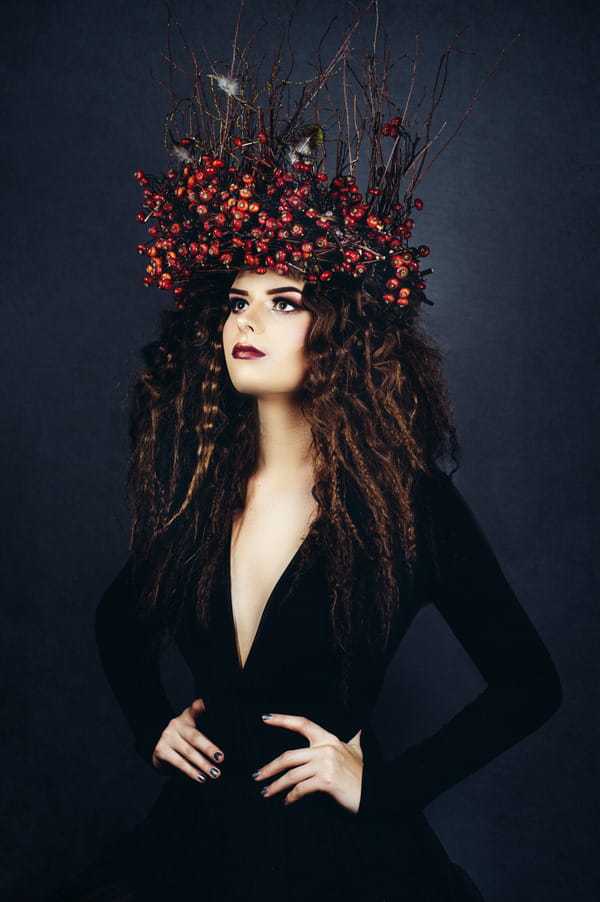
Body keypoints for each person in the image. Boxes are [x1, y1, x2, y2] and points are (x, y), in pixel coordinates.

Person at [46, 8, 561, 901]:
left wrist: (385, 785)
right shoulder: (201, 488)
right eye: (238, 300)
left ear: (339, 335)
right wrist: (149, 726)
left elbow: (528, 685)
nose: (246, 319)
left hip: (339, 864)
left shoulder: (410, 506)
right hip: (192, 852)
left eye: (284, 301)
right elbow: (118, 623)